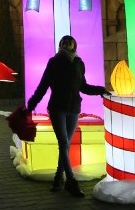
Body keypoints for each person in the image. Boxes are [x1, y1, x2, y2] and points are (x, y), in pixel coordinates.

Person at [26, 35, 108, 197]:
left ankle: (58, 178)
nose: (66, 44)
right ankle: (71, 182)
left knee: (65, 145)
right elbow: (43, 85)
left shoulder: (79, 63)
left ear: (74, 45)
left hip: (74, 109)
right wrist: (32, 103)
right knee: (63, 143)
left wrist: (100, 90)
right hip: (57, 108)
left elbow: (83, 87)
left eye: (68, 42)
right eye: (63, 42)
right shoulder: (54, 62)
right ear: (60, 45)